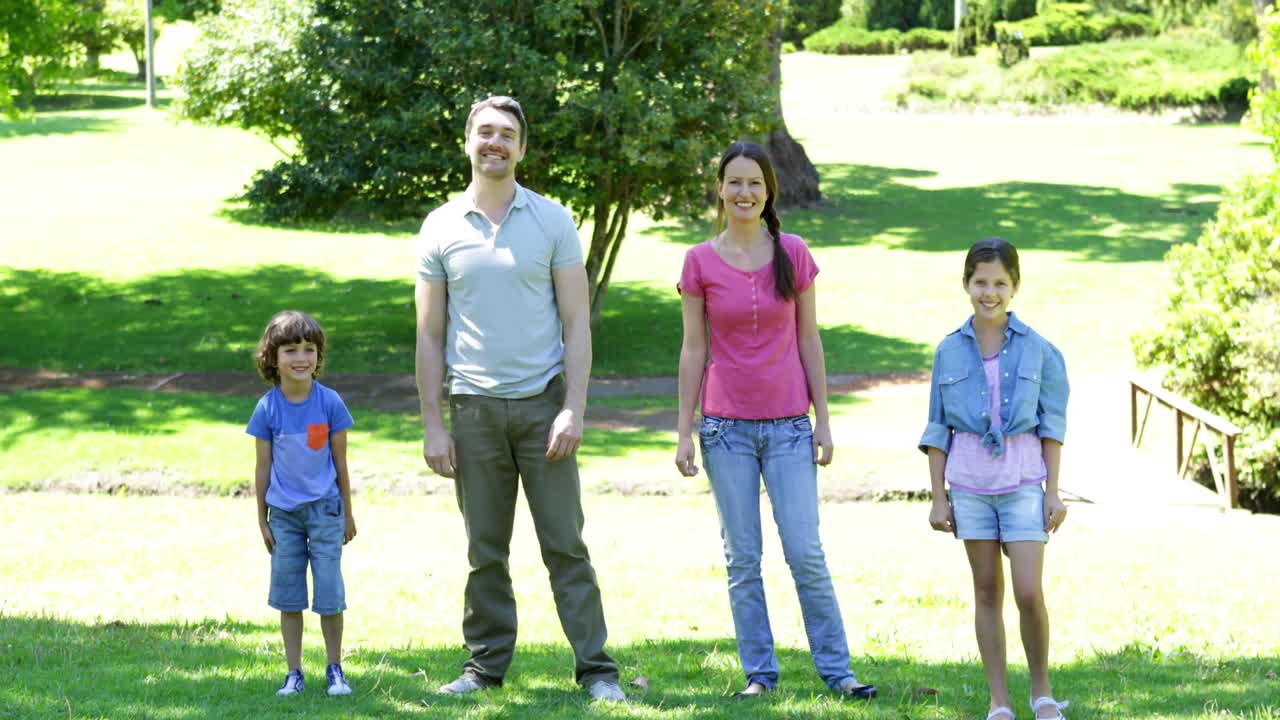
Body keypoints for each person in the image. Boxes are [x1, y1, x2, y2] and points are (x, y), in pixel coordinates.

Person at [414, 95, 624, 702]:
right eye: (485, 132)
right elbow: (429, 335)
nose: (495, 143)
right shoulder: (440, 227)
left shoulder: (554, 222)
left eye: (507, 134)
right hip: (473, 409)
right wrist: (433, 423)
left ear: (522, 148)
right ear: (468, 141)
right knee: (485, 552)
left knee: (566, 546)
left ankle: (598, 672)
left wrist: (573, 407)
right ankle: (483, 669)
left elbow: (577, 325)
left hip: (543, 407)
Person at [674, 140, 876, 700]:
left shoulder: (794, 251)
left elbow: (809, 339)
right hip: (723, 428)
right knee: (743, 558)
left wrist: (824, 420)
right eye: (734, 182)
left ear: (769, 192)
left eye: (755, 184)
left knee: (805, 551)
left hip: (789, 425)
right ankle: (760, 675)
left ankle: (839, 673)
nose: (745, 193)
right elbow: (693, 350)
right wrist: (684, 429)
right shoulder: (698, 261)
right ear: (719, 188)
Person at [919, 237, 1071, 720]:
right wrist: (938, 498)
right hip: (969, 487)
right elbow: (936, 427)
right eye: (980, 282)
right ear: (967, 284)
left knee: (1028, 590)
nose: (989, 292)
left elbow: (1052, 424)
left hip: (1025, 481)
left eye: (999, 283)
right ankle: (999, 702)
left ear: (1015, 286)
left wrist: (1053, 491)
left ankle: (1042, 693)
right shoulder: (947, 350)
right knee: (987, 590)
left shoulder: (1041, 350)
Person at [247, 310, 357, 698]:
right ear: (272, 358)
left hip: (326, 511)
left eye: (309, 349)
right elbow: (262, 468)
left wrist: (348, 512)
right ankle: (294, 673)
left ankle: (335, 669)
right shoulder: (267, 409)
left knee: (329, 592)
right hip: (285, 518)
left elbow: (340, 462)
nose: (301, 357)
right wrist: (262, 520)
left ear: (318, 356)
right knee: (289, 595)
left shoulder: (330, 404)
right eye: (291, 349)